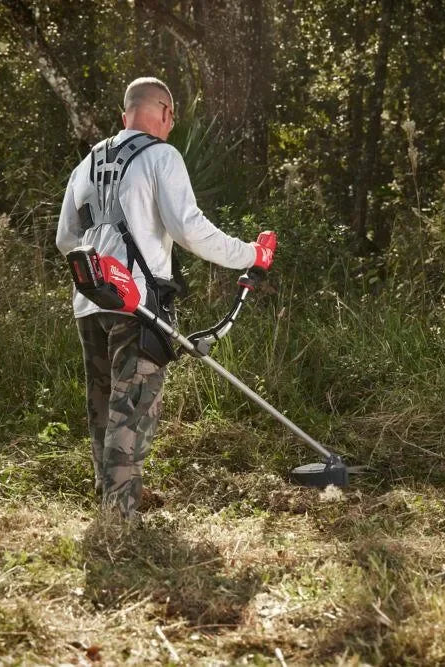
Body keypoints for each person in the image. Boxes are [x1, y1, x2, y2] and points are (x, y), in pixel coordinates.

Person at [55, 77, 276, 520]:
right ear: (166, 113)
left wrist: (104, 262)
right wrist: (252, 253)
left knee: (102, 401)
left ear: (125, 116)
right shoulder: (162, 156)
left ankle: (110, 495)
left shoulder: (87, 164)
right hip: (135, 305)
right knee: (133, 406)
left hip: (90, 301)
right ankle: (119, 516)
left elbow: (65, 240)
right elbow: (190, 230)